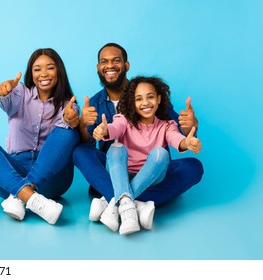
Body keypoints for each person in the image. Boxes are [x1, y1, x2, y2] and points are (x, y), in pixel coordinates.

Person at [73, 43, 204, 230]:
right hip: (115, 169)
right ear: (98, 67)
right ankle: (137, 204)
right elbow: (110, 130)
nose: (110, 66)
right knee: (81, 152)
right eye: (104, 62)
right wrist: (86, 125)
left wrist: (191, 129)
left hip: (152, 171)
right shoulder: (97, 104)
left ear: (126, 65)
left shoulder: (147, 93)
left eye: (116, 60)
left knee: (193, 167)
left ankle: (113, 201)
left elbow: (177, 133)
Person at [0, 48, 79, 224]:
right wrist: (2, 91)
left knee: (69, 132)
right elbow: (5, 97)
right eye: (37, 69)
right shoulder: (19, 93)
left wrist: (73, 121)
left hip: (51, 178)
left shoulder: (68, 106)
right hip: (14, 174)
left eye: (50, 68)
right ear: (31, 73)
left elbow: (68, 132)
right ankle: (31, 198)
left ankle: (20, 196)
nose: (44, 73)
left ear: (59, 71)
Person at [92, 76, 203, 235]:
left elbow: (176, 139)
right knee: (116, 148)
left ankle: (113, 203)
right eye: (138, 99)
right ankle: (133, 205)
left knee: (161, 153)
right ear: (132, 103)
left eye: (150, 97)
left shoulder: (167, 125)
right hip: (121, 174)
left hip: (150, 177)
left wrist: (188, 142)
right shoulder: (124, 119)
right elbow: (114, 128)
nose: (145, 103)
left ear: (158, 99)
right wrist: (104, 130)